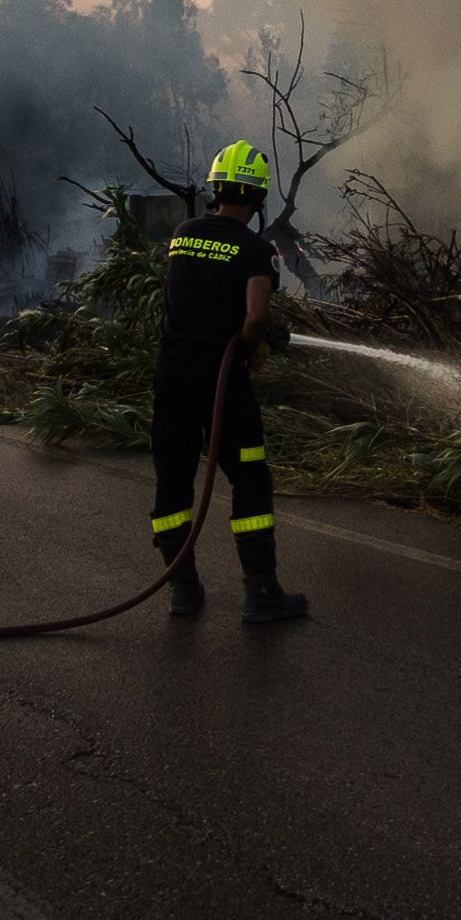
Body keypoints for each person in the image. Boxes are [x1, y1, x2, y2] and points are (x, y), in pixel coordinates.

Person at [150, 141, 304, 623]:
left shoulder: (182, 233)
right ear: (258, 199)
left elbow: (193, 301)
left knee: (173, 482)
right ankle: (262, 595)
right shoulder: (257, 249)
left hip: (171, 375)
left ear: (216, 189)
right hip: (220, 381)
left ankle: (183, 591)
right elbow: (256, 318)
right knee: (251, 479)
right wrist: (255, 343)